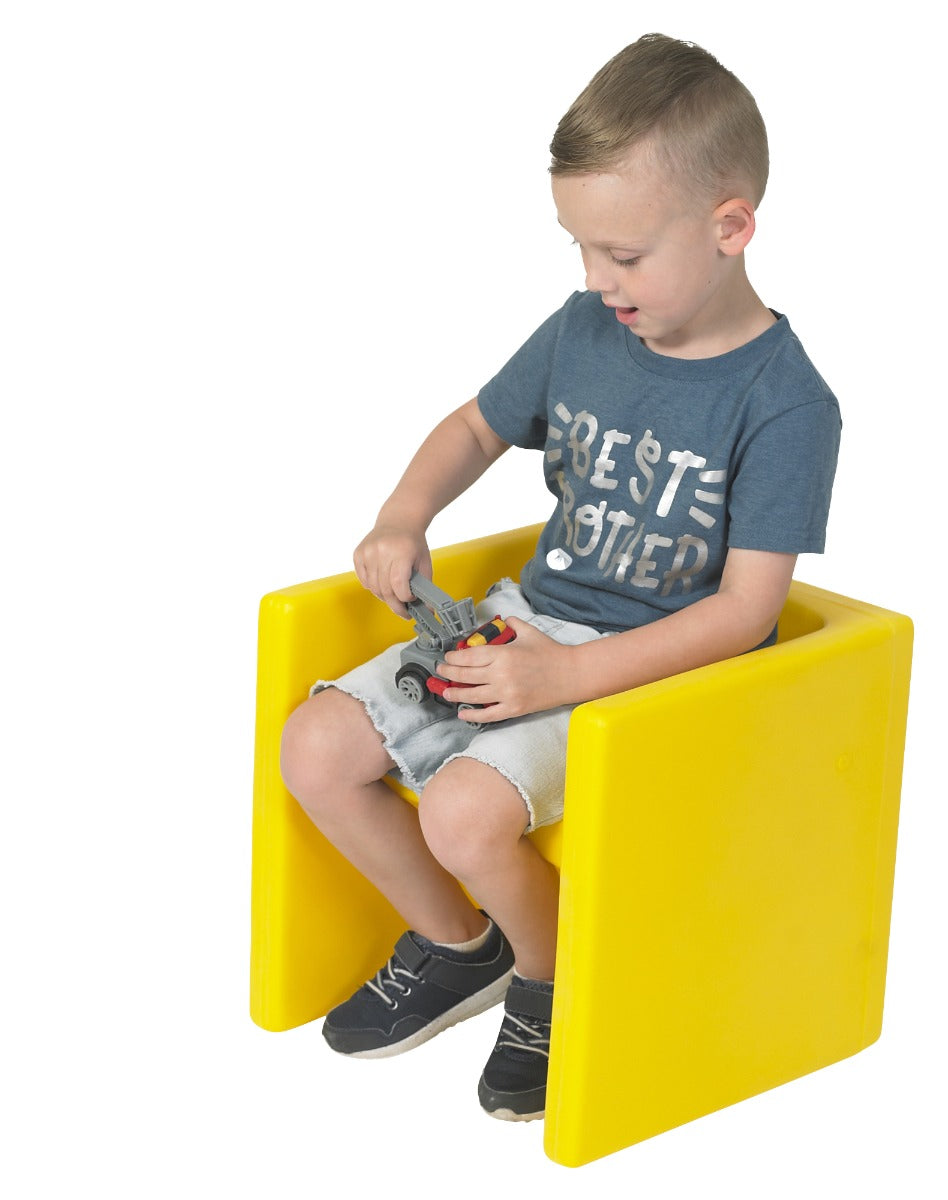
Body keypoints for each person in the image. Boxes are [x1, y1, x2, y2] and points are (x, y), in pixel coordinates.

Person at [279, 32, 841, 1123]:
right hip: (520, 625)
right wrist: (405, 513)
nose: (596, 279)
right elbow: (474, 426)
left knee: (463, 813)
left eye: (623, 254)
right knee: (315, 745)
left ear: (730, 227)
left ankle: (548, 983)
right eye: (580, 248)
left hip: (654, 681)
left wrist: (565, 684)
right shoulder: (585, 329)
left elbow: (747, 613)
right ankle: (461, 945)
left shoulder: (787, 402)